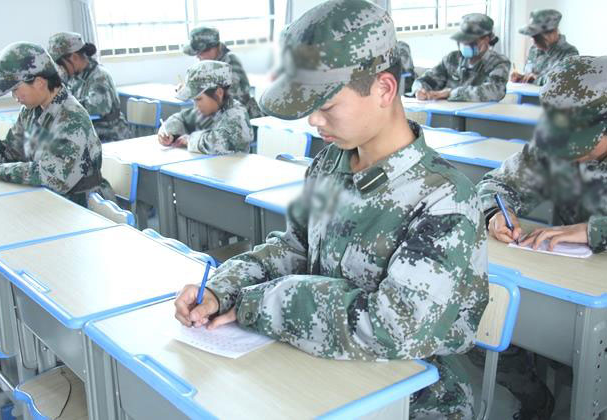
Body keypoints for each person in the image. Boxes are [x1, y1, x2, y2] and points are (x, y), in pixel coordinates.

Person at [174, 1, 489, 418]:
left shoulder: (445, 199)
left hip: (414, 397)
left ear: (384, 90)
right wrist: (223, 289)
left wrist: (261, 303)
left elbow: (393, 326)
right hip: (318, 367)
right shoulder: (329, 164)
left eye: (325, 106)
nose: (313, 122)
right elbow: (295, 247)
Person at [477, 55, 607, 419]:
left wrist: (594, 230)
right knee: (482, 316)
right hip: (569, 276)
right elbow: (496, 184)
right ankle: (536, 399)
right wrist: (496, 213)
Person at [0, 42, 109, 207]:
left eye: (16, 89)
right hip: (48, 197)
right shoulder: (31, 110)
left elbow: (55, 177)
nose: (14, 96)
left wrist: (1, 170)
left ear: (39, 82)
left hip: (81, 205)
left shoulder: (71, 117)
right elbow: (13, 149)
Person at [48, 32, 131, 142]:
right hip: (89, 136)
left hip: (110, 136)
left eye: (60, 64)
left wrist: (61, 106)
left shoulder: (100, 76)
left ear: (74, 57)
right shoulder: (74, 77)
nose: (60, 68)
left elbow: (96, 107)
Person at [158, 60, 251, 154]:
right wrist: (170, 133)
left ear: (219, 93)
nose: (196, 105)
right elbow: (181, 118)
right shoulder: (209, 111)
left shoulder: (237, 114)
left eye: (199, 99)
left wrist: (189, 140)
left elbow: (220, 144)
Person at [413, 13, 510, 102]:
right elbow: (425, 80)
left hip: (481, 113)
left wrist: (451, 93)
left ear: (485, 40)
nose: (465, 44)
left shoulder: (499, 63)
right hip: (448, 112)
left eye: (470, 40)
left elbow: (494, 91)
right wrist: (420, 90)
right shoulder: (452, 59)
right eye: (462, 40)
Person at [183, 27, 262, 118]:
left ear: (213, 48)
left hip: (243, 117)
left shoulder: (230, 63)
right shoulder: (211, 63)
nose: (197, 56)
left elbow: (233, 99)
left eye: (200, 53)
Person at [510, 9, 579, 86]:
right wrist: (522, 77)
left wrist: (537, 79)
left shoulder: (569, 53)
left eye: (537, 37)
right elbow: (530, 74)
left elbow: (563, 81)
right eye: (532, 36)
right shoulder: (534, 50)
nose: (534, 41)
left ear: (553, 33)